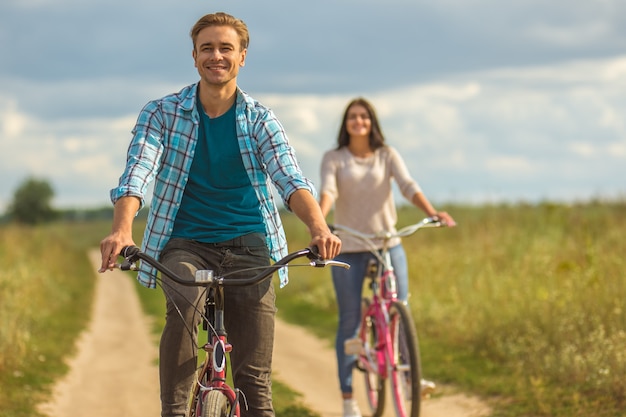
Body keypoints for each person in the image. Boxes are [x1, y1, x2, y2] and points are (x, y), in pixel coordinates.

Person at [98, 12, 341, 417]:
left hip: (248, 243)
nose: (216, 56)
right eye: (207, 48)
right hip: (185, 243)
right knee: (182, 309)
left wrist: (318, 227)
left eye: (226, 48)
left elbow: (289, 178)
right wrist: (122, 231)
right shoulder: (161, 114)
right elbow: (137, 171)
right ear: (194, 56)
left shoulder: (260, 119)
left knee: (255, 383)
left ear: (242, 56)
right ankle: (173, 411)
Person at [319, 97, 455, 417]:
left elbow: (408, 186)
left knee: (399, 307)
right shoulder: (334, 157)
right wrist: (320, 224)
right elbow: (328, 191)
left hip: (386, 243)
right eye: (352, 117)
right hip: (349, 246)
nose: (358, 121)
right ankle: (348, 397)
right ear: (346, 123)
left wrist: (432, 212)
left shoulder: (387, 155)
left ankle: (408, 381)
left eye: (364, 116)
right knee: (350, 319)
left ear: (372, 122)